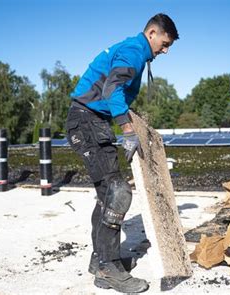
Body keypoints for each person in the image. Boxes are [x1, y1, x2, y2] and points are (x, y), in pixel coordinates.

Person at [65, 13, 179, 293]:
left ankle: (100, 259)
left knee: (107, 193)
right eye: (164, 44)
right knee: (118, 192)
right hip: (87, 119)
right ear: (152, 33)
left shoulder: (134, 50)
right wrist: (128, 130)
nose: (165, 51)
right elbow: (112, 90)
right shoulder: (134, 51)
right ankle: (107, 269)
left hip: (92, 120)